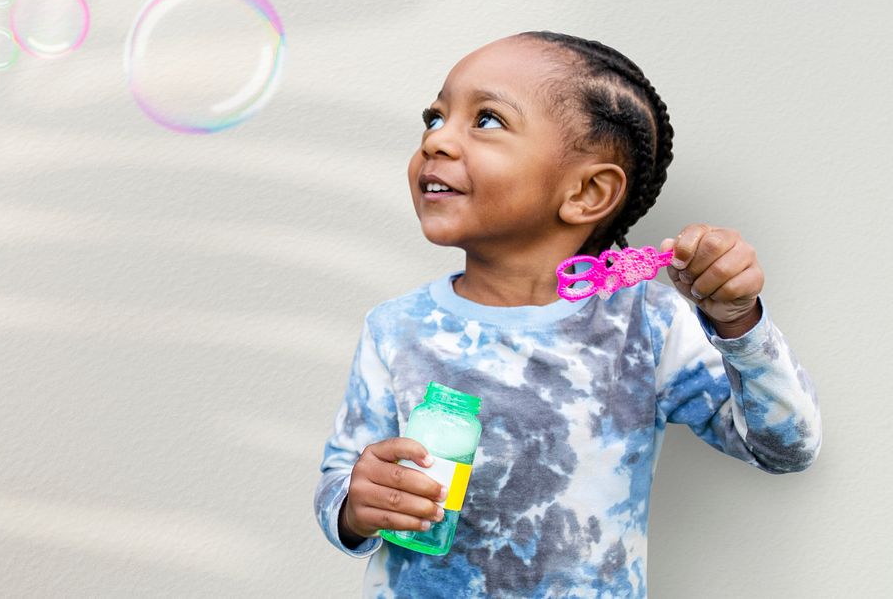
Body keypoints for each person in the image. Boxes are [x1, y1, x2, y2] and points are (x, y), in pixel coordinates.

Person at [313, 31, 821, 598]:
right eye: (435, 119)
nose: (438, 142)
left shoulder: (645, 325)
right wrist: (356, 505)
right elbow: (340, 479)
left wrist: (737, 322)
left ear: (586, 193)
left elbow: (785, 447)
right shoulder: (396, 328)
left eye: (486, 121)